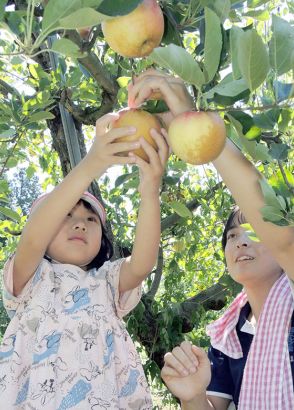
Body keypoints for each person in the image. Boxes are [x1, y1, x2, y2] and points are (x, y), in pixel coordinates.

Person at [128, 69, 294, 409]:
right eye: (232, 235)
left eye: (254, 231)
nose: (241, 241)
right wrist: (192, 396)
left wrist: (195, 119)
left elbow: (282, 237)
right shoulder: (227, 336)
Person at [0, 112, 168, 409]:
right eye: (67, 215)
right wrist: (93, 163)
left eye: (91, 219)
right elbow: (33, 238)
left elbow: (142, 264)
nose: (80, 224)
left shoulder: (106, 281)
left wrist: (150, 190)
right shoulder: (33, 277)